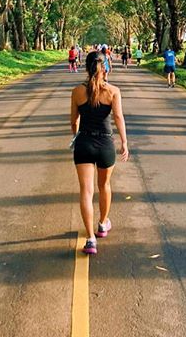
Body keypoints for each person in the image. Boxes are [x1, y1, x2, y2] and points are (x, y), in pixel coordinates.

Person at [71, 51, 129, 255]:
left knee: (86, 191)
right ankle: (103, 224)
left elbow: (74, 121)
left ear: (86, 67)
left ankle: (90, 239)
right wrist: (124, 142)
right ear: (105, 67)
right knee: (104, 185)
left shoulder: (77, 92)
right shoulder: (113, 91)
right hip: (105, 144)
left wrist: (76, 137)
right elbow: (119, 118)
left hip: (84, 143)